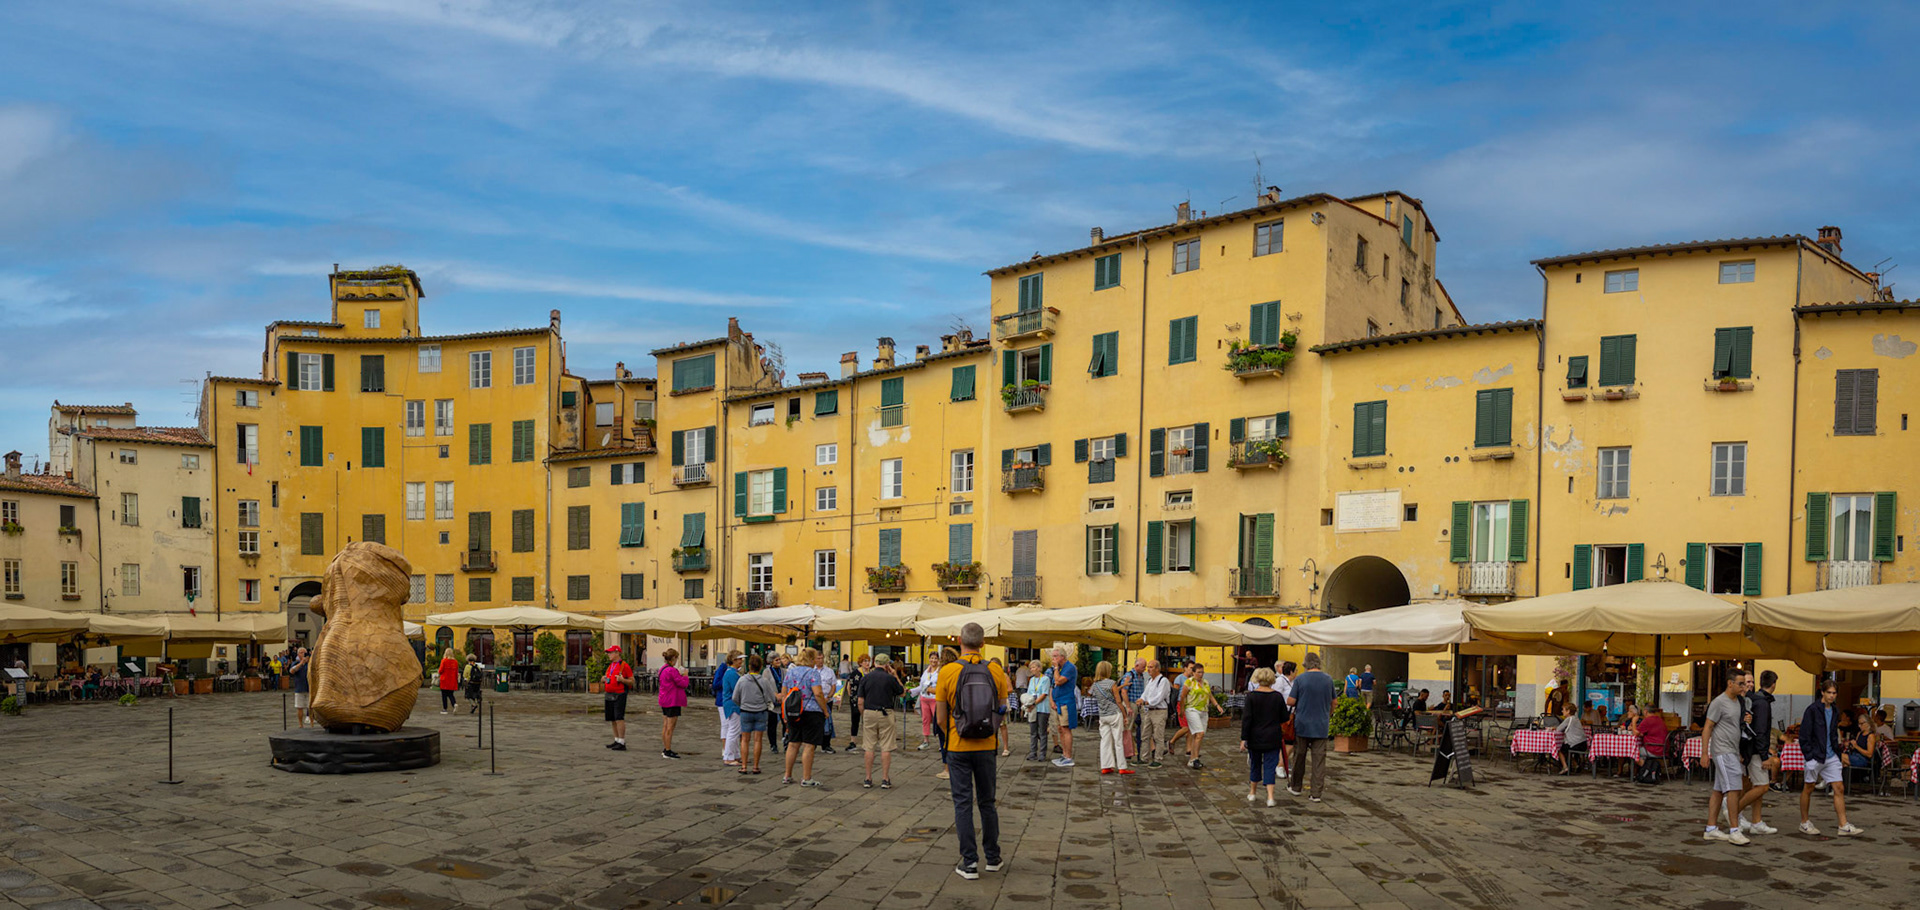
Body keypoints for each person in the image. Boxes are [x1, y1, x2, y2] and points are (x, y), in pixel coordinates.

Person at [935, 622, 1012, 880]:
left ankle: (969, 862)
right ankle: (993, 857)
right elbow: (1002, 709)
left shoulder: (948, 671)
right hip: (987, 746)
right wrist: (989, 731)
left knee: (963, 803)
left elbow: (940, 717)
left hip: (958, 745)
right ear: (983, 643)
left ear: (959, 640)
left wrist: (953, 733)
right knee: (988, 802)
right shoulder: (995, 670)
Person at [1798, 677, 1863, 837]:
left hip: (1831, 754)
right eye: (1829, 692)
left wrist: (1838, 751)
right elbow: (1804, 734)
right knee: (1808, 788)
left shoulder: (1834, 710)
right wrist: (1809, 756)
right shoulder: (1812, 710)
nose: (1832, 696)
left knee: (1839, 788)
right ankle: (1804, 822)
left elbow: (1833, 733)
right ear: (1822, 692)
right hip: (1815, 755)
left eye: (1834, 693)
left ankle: (1843, 824)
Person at [1700, 669, 1752, 844]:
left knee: (1719, 790)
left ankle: (1711, 828)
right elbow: (1707, 727)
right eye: (1741, 683)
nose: (1744, 686)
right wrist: (1705, 753)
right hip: (1722, 751)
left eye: (1745, 683)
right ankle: (1734, 830)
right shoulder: (1719, 702)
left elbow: (1735, 727)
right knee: (1734, 789)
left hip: (1731, 751)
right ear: (1730, 684)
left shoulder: (1738, 701)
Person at [1734, 669, 1779, 835]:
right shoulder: (1761, 703)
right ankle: (1734, 811)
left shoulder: (1752, 701)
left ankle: (1756, 821)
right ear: (1774, 684)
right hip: (1754, 751)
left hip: (1750, 749)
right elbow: (1760, 731)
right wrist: (1764, 754)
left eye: (1751, 682)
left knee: (1755, 786)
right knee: (1762, 786)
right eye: (1747, 682)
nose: (1749, 685)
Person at [782, 648, 832, 787]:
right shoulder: (813, 673)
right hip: (811, 711)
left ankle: (787, 775)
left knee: (793, 743)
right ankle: (806, 777)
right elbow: (818, 693)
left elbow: (784, 692)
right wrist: (825, 710)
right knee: (809, 745)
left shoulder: (790, 672)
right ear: (811, 659)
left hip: (794, 711)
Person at [1287, 652, 1334, 801]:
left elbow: (1291, 701)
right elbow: (1334, 703)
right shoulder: (1328, 679)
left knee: (1299, 756)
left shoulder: (1300, 679)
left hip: (1302, 724)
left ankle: (1295, 787)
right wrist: (1328, 714)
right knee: (1319, 761)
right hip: (1321, 725)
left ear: (1306, 665)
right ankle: (1316, 793)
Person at [1241, 667, 1288, 806]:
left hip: (1254, 736)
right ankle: (1270, 797)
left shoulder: (1251, 696)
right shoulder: (1277, 697)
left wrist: (1244, 738)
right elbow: (1284, 717)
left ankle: (1252, 793)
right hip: (1273, 736)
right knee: (1270, 765)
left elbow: (1246, 719)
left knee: (1255, 764)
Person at [859, 653, 906, 789]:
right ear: (887, 665)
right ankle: (885, 779)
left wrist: (864, 715)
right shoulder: (889, 679)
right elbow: (902, 692)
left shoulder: (866, 678)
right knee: (886, 747)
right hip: (886, 713)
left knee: (869, 746)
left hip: (869, 712)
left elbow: (860, 701)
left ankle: (868, 778)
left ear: (875, 662)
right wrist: (895, 675)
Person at [732, 654, 776, 775]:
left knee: (745, 740)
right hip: (761, 712)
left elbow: (735, 697)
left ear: (749, 666)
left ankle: (744, 766)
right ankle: (756, 766)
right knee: (758, 740)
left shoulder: (742, 680)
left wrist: (743, 703)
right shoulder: (764, 681)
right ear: (760, 667)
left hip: (746, 712)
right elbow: (771, 697)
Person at [1090, 661, 1133, 775]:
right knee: (1118, 741)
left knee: (1105, 741)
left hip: (1103, 715)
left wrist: (1122, 686)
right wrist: (1125, 715)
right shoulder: (1111, 683)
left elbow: (1094, 694)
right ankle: (1122, 767)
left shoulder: (1095, 685)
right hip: (1114, 714)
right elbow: (1118, 701)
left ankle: (1106, 766)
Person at [1182, 661, 1223, 770]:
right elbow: (1182, 697)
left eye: (1202, 672)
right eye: (1199, 672)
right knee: (1199, 733)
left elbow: (1209, 695)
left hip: (1203, 711)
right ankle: (1195, 758)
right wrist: (1181, 710)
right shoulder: (1189, 682)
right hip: (1192, 709)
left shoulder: (1205, 682)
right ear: (1193, 672)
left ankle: (1192, 759)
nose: (1201, 674)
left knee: (1199, 735)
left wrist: (1217, 705)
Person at [597, 645, 635, 751]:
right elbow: (606, 677)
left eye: (610, 652)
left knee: (619, 718)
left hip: (619, 694)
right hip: (609, 694)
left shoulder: (624, 666)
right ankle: (617, 740)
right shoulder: (610, 666)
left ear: (617, 653)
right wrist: (603, 679)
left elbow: (632, 681)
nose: (609, 655)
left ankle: (622, 741)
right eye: (608, 653)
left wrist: (622, 680)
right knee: (612, 718)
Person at [1048, 648, 1079, 768]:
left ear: (1062, 656)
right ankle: (1064, 754)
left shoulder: (1069, 668)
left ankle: (1068, 756)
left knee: (1066, 729)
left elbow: (1059, 681)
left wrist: (1056, 668)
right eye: (1053, 656)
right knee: (1060, 728)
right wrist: (1052, 700)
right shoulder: (1059, 669)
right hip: (1058, 702)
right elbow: (1052, 685)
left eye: (1055, 656)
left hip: (1066, 702)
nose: (1053, 659)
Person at [1137, 659, 1170, 769]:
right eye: (1148, 667)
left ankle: (1158, 759)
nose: (1148, 669)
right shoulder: (1150, 681)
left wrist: (1147, 702)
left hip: (1159, 711)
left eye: (1151, 667)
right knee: (1145, 735)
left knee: (1158, 736)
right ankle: (1144, 758)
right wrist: (1141, 699)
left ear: (1157, 669)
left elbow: (1159, 697)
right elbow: (1145, 694)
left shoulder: (1163, 681)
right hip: (1149, 711)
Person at [656, 648, 687, 759]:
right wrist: (685, 675)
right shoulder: (672, 670)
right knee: (670, 726)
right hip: (672, 700)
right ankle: (668, 750)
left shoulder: (662, 669)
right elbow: (683, 683)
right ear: (673, 658)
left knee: (665, 725)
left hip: (664, 699)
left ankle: (666, 748)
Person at [717, 651, 743, 766]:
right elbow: (737, 690)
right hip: (733, 705)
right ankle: (728, 756)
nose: (741, 661)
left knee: (735, 730)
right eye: (739, 659)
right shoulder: (732, 674)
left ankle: (735, 754)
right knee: (733, 730)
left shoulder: (731, 672)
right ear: (734, 660)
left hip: (731, 704)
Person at [914, 652, 944, 752]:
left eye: (935, 658)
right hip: (924, 698)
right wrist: (912, 691)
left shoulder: (940, 672)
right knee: (925, 720)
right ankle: (926, 741)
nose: (933, 660)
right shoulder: (926, 671)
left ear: (938, 660)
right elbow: (922, 686)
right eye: (932, 658)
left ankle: (942, 742)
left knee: (938, 720)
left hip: (935, 699)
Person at [1023, 659, 1052, 762]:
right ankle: (1032, 752)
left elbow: (1044, 694)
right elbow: (1029, 693)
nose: (1032, 669)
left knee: (1042, 731)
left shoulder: (1045, 679)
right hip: (1032, 708)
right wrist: (1027, 703)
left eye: (1034, 667)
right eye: (1031, 668)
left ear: (1039, 668)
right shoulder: (1031, 680)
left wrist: (1034, 704)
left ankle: (1042, 753)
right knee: (1033, 732)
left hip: (1042, 708)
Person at [1633, 705, 1668, 783]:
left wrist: (1634, 721)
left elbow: (1635, 733)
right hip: (1663, 748)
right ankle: (1649, 768)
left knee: (1633, 752)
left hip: (1653, 748)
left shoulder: (1647, 720)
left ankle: (1649, 769)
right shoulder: (1659, 719)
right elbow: (1647, 732)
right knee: (1637, 751)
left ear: (1645, 711)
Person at [1122, 658, 1148, 757]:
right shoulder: (1129, 675)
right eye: (1143, 667)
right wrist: (1128, 706)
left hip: (1139, 704)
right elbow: (1124, 691)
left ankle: (1140, 748)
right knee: (1128, 727)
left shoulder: (1141, 676)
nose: (1144, 669)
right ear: (1136, 666)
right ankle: (1127, 751)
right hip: (1131, 703)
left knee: (1144, 725)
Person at [846, 653, 872, 751]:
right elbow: (849, 686)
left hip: (869, 700)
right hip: (856, 700)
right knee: (855, 720)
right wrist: (852, 697)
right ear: (860, 663)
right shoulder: (855, 673)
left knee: (868, 721)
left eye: (868, 661)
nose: (867, 663)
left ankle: (867, 741)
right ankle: (853, 741)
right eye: (865, 661)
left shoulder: (871, 673)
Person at [1556, 705, 1588, 775]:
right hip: (1583, 743)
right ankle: (1575, 764)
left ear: (1568, 711)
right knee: (1566, 747)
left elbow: (1558, 729)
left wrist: (1553, 728)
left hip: (1576, 744)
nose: (1562, 711)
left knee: (1559, 749)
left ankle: (1565, 767)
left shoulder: (1569, 719)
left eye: (1563, 710)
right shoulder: (1576, 719)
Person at [290, 648, 311, 728]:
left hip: (309, 688)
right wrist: (301, 663)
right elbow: (292, 671)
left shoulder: (309, 664)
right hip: (299, 688)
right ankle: (300, 724)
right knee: (299, 707)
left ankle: (310, 721)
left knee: (310, 706)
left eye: (305, 653)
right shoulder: (295, 663)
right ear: (298, 654)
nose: (303, 654)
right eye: (301, 653)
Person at [436, 649, 459, 714]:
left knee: (444, 695)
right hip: (452, 681)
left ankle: (445, 709)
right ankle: (454, 704)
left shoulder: (444, 661)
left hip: (444, 680)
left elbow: (440, 671)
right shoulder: (455, 662)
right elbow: (456, 672)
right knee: (451, 694)